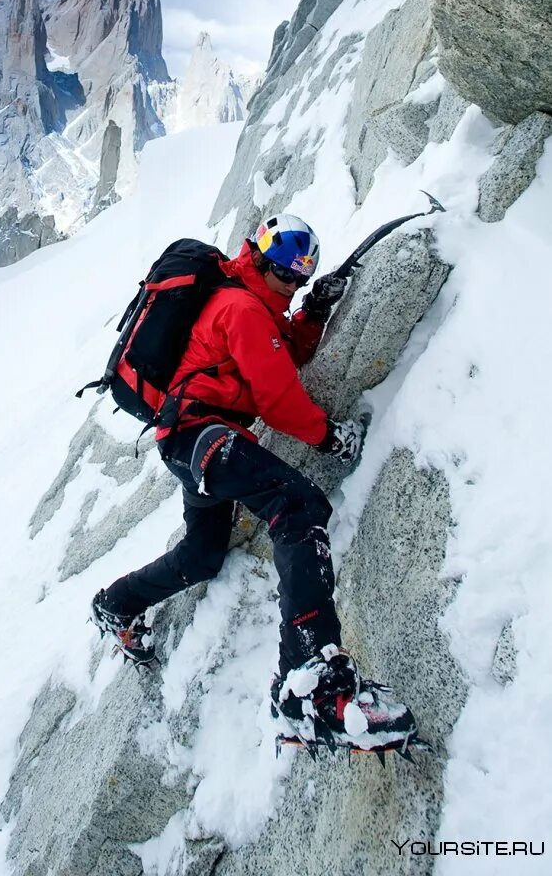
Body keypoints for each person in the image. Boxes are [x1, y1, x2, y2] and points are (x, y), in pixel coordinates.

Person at [91, 214, 417, 750]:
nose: (294, 287)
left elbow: (280, 355)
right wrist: (329, 437)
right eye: (288, 277)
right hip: (204, 436)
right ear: (261, 262)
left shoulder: (247, 301)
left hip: (190, 441)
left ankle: (118, 602)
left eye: (301, 280)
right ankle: (308, 684)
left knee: (201, 556)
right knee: (298, 506)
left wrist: (313, 313)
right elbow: (278, 398)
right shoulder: (242, 308)